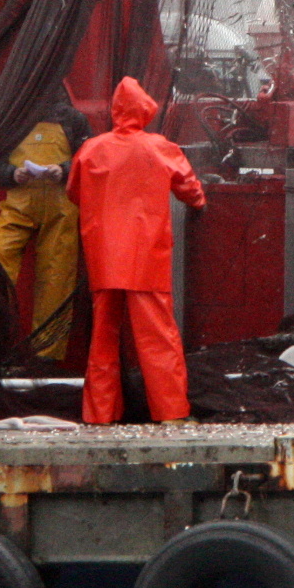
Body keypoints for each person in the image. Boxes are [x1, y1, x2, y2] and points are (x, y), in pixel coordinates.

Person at [66, 76, 205, 425]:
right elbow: (190, 188)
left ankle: (100, 413)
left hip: (103, 257)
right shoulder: (160, 147)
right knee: (157, 336)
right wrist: (199, 203)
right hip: (146, 258)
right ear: (145, 110)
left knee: (103, 337)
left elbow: (73, 192)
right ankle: (171, 412)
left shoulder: (91, 148)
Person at [0, 100, 90, 361]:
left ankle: (46, 357)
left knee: (57, 279)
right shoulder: (12, 117)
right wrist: (13, 174)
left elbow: (90, 158)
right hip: (20, 208)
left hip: (59, 212)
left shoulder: (72, 119)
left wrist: (63, 170)